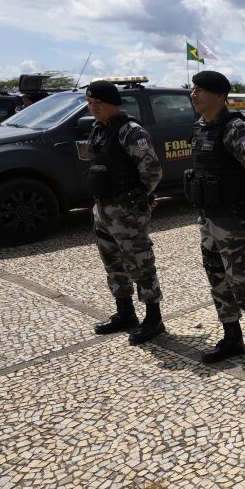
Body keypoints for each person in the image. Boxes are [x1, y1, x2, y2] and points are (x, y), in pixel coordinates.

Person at [187, 70, 245, 385]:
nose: (193, 94)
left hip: (235, 223)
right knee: (218, 280)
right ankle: (232, 337)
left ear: (219, 96)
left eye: (200, 90)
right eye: (193, 89)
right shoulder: (200, 129)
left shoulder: (237, 130)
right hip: (208, 220)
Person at [85, 80, 165, 344]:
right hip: (103, 209)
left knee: (140, 263)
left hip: (126, 210)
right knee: (113, 264)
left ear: (112, 104)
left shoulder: (131, 132)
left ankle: (153, 319)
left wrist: (137, 197)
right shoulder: (98, 130)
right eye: (90, 102)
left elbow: (152, 171)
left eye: (98, 102)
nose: (92, 107)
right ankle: (125, 313)